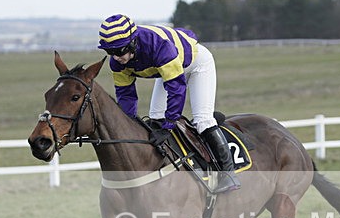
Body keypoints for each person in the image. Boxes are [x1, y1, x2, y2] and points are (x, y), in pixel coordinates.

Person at [97, 14, 240, 193]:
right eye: (110, 52)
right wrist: (129, 123)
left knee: (202, 120)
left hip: (196, 65)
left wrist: (169, 125)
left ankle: (228, 174)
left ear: (133, 42)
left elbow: (176, 89)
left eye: (119, 51)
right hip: (167, 70)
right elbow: (126, 96)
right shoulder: (117, 63)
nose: (116, 57)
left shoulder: (158, 46)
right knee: (156, 118)